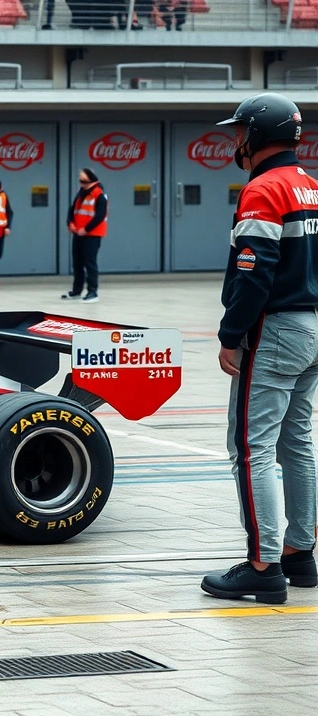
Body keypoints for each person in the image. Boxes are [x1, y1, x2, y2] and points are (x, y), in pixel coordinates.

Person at [202, 92, 318, 604]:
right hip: (314, 328)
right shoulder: (312, 187)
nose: (235, 141)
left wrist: (232, 335)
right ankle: (300, 553)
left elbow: (253, 274)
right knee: (298, 444)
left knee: (251, 449)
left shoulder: (263, 190)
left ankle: (263, 564)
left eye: (238, 132)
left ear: (256, 135)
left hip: (277, 331)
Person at [62, 168, 108, 303]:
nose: (81, 184)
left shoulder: (99, 194)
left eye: (83, 181)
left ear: (91, 181)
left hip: (92, 234)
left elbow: (100, 215)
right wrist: (70, 223)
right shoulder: (81, 193)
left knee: (90, 263)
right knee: (77, 263)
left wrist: (86, 229)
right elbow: (73, 210)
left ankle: (93, 292)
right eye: (80, 181)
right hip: (78, 233)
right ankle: (76, 291)